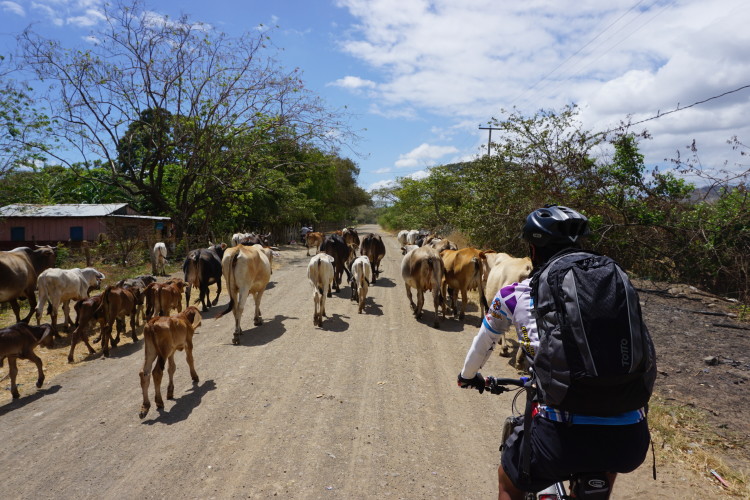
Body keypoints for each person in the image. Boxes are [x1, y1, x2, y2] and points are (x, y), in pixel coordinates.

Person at [457, 205, 652, 500]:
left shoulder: (513, 295)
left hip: (559, 440)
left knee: (508, 479)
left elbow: (484, 342)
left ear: (533, 252)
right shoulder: (613, 287)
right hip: (630, 439)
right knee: (602, 469)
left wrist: (467, 376)